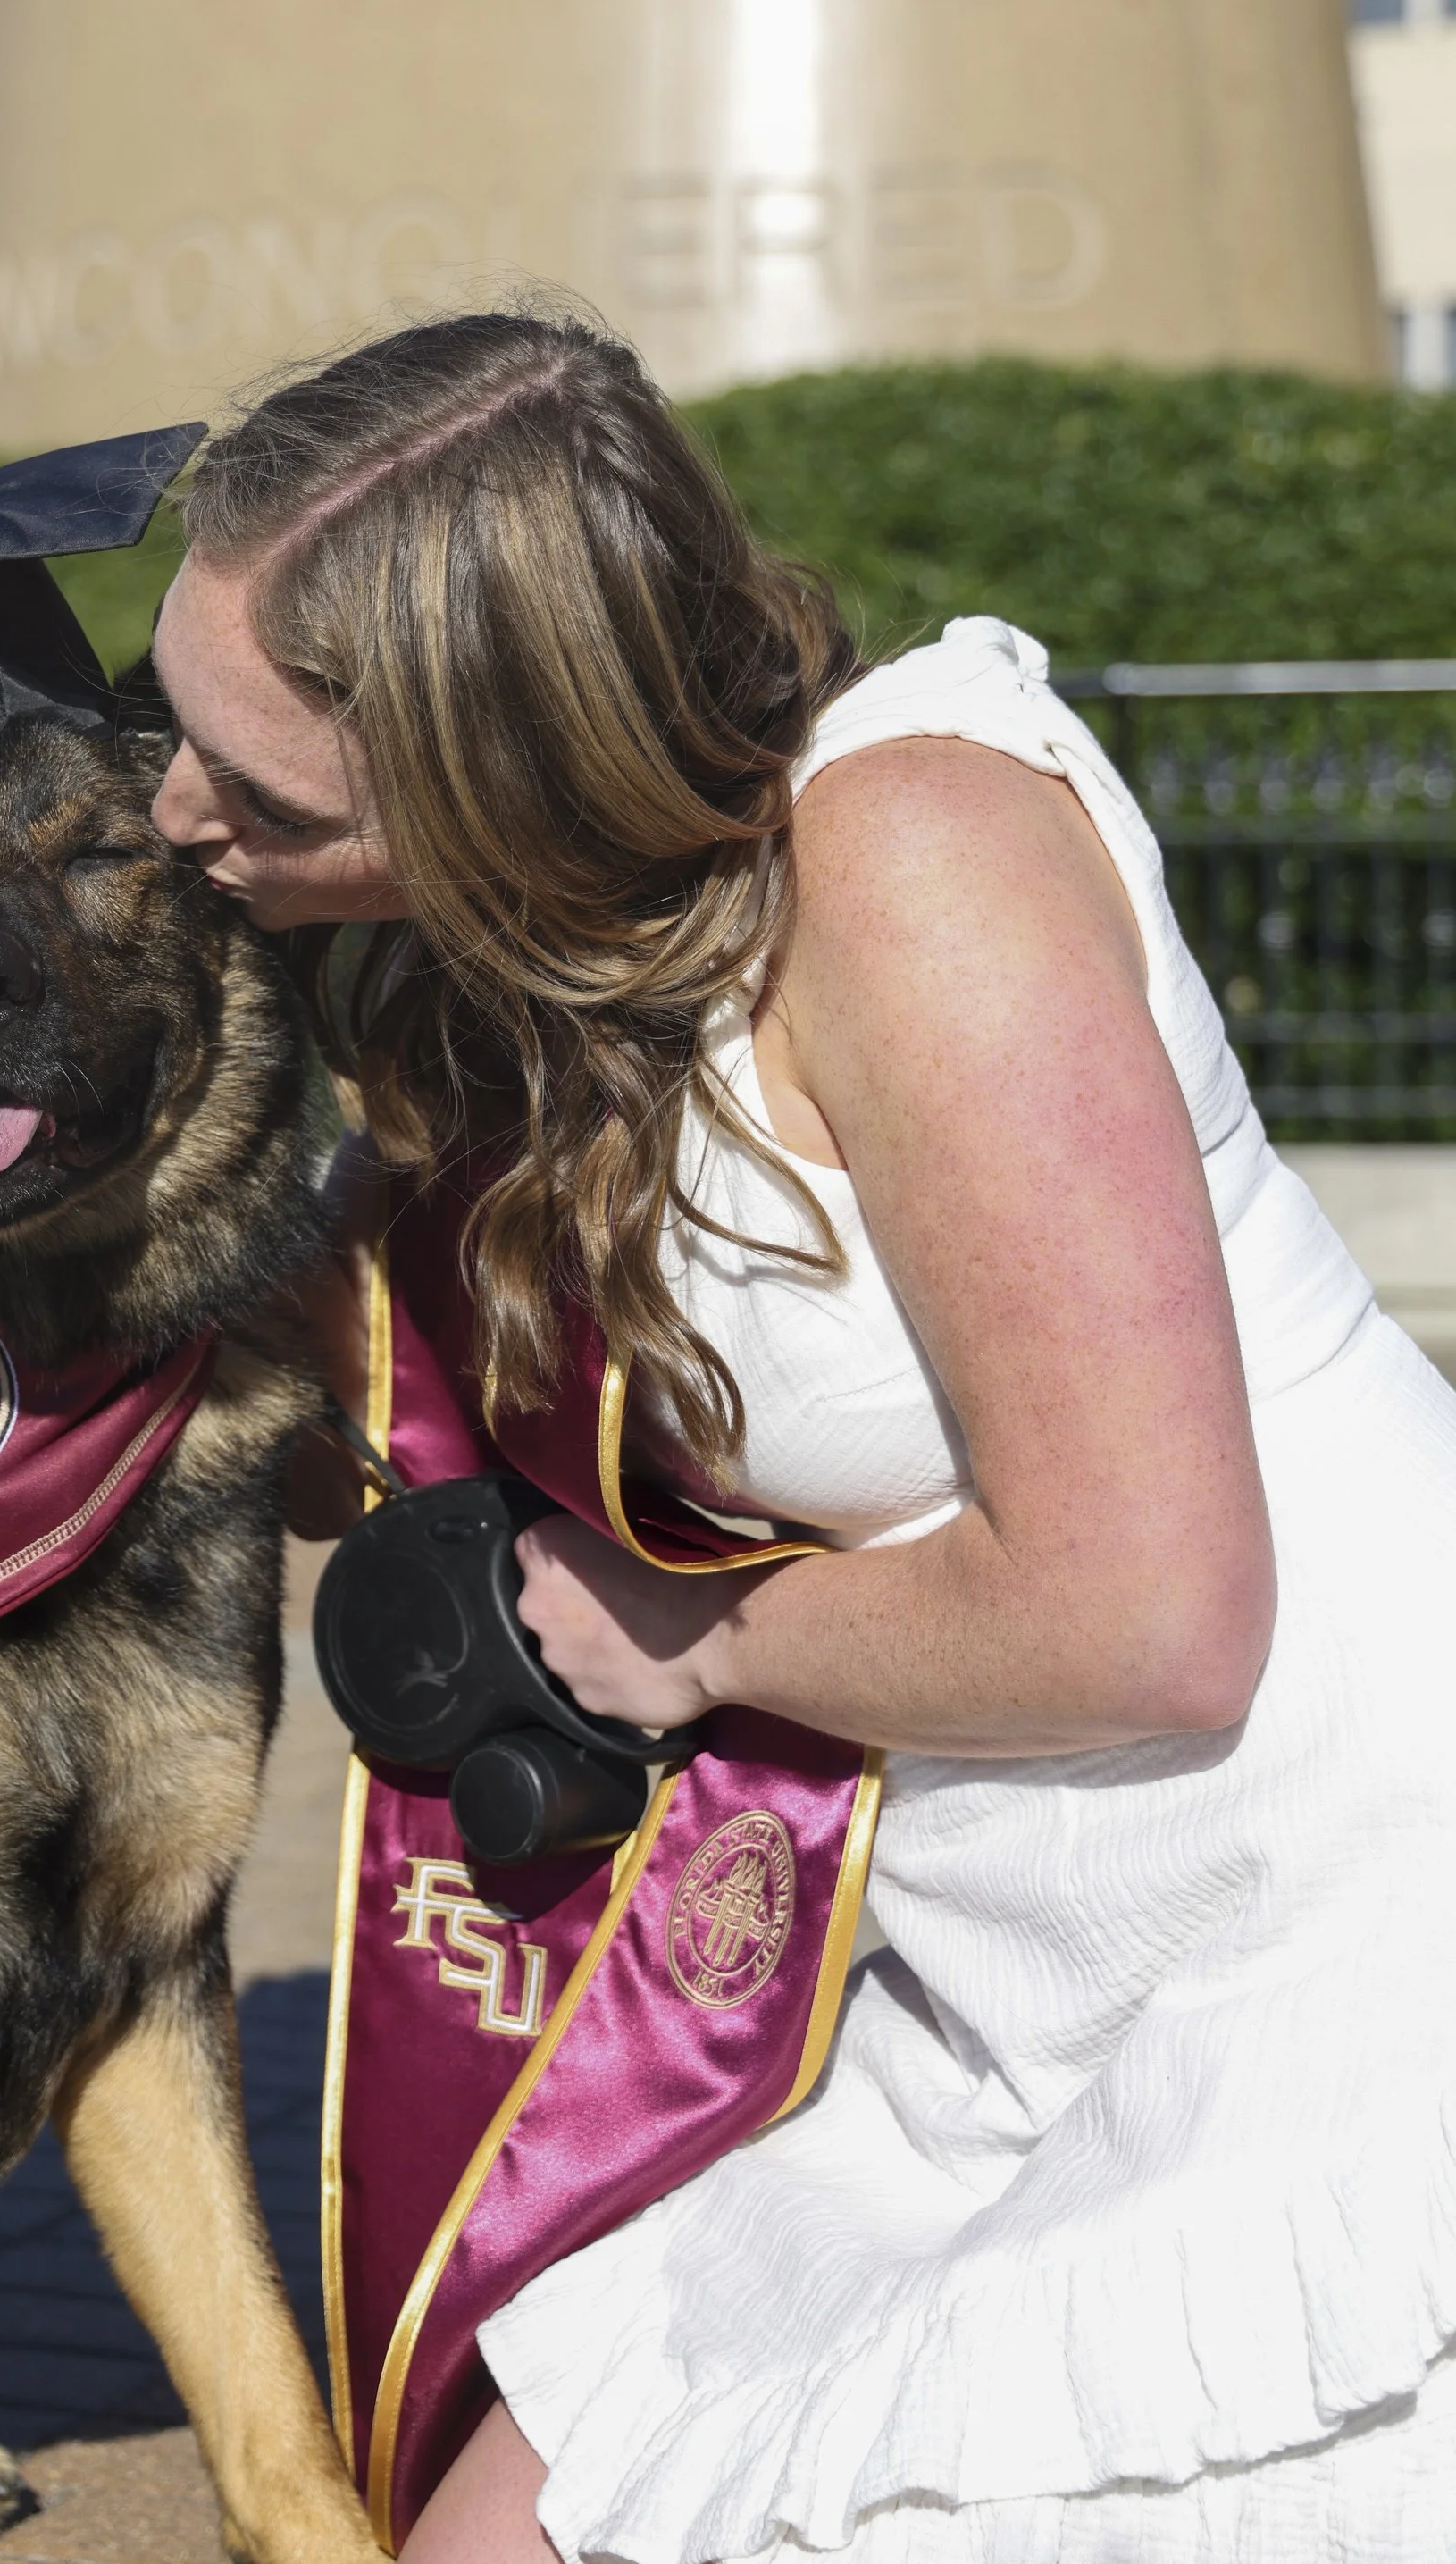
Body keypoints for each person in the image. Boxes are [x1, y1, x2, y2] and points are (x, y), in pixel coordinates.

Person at [146, 305, 1456, 2564]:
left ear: (491, 768)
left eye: (255, 793)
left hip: (1334, 1912)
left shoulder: (909, 855)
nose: (180, 813)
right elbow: (313, 1375)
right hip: (984, 1959)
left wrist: (691, 1637)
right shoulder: (530, 954)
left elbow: (1155, 1618)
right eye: (169, 725)